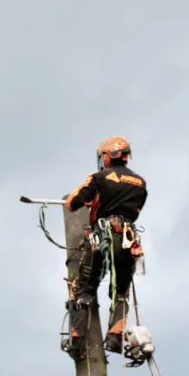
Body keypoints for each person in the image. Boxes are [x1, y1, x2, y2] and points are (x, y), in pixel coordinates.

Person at [63, 136, 148, 357]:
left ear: (107, 157)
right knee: (120, 291)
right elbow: (131, 208)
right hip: (127, 239)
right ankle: (114, 337)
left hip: (100, 236)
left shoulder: (99, 177)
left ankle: (77, 339)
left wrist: (92, 196)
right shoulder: (140, 183)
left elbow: (72, 203)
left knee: (84, 287)